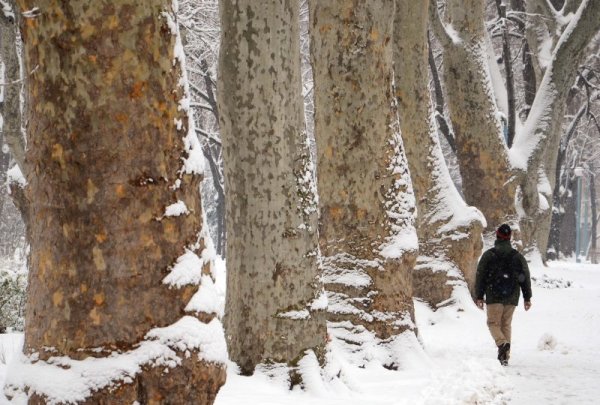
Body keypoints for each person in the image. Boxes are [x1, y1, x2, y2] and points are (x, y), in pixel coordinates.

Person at [475, 224, 532, 366]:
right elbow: (525, 276)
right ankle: (504, 357)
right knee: (506, 324)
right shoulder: (517, 257)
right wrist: (527, 297)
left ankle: (502, 344)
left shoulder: (489, 255)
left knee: (493, 323)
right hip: (512, 296)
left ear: (497, 235)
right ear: (510, 238)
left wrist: (479, 296)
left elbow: (480, 276)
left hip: (494, 295)